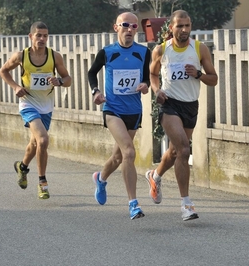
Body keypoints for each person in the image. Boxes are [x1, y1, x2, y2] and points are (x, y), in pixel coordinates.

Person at [146, 10, 218, 221]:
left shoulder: (199, 48)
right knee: (184, 149)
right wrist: (157, 90)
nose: (184, 30)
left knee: (175, 151)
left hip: (190, 106)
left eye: (187, 26)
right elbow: (152, 73)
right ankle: (186, 204)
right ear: (171, 28)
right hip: (169, 105)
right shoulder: (161, 50)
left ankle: (155, 175)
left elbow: (213, 79)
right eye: (179, 26)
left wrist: (198, 74)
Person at [87, 12, 151, 220]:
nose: (130, 30)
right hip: (112, 109)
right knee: (129, 152)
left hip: (134, 111)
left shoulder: (143, 52)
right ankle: (133, 204)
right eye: (125, 25)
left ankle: (101, 178)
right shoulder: (107, 52)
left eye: (134, 26)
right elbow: (91, 73)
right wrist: (96, 91)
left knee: (118, 157)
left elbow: (146, 78)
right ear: (116, 28)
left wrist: (145, 85)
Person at [0, 21, 71, 199]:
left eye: (45, 36)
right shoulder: (21, 56)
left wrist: (59, 82)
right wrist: (16, 87)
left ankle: (22, 167)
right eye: (38, 35)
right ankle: (42, 182)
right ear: (31, 37)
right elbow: (3, 71)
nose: (42, 39)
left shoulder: (54, 57)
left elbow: (68, 79)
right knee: (43, 140)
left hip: (46, 106)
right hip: (28, 104)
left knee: (35, 143)